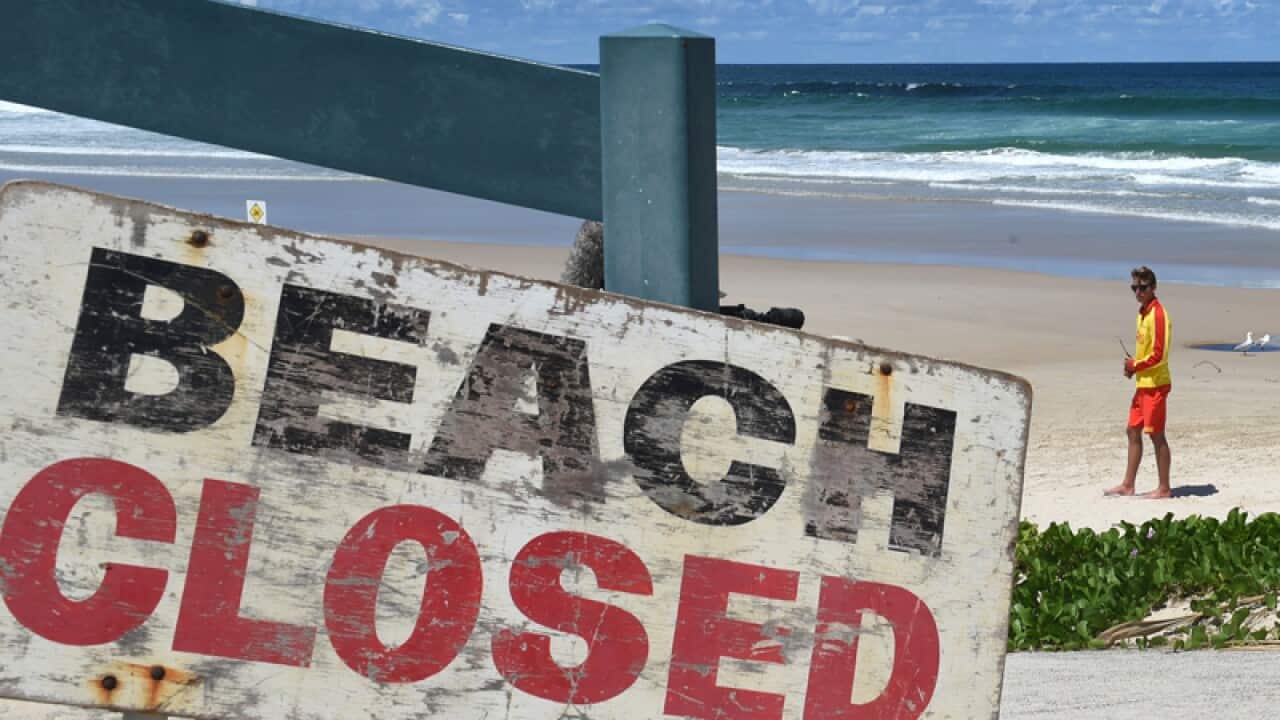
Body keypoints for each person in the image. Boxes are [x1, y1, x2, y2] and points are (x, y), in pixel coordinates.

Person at [1106, 266, 1172, 498]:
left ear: (1153, 287)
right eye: (1134, 288)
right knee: (1133, 430)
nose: (1138, 292)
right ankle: (1128, 484)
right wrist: (1133, 368)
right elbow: (1145, 353)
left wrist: (1136, 365)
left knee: (1156, 434)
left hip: (1156, 385)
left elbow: (1159, 354)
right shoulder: (1142, 313)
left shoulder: (1158, 314)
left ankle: (1164, 488)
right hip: (1143, 384)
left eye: (1142, 287)